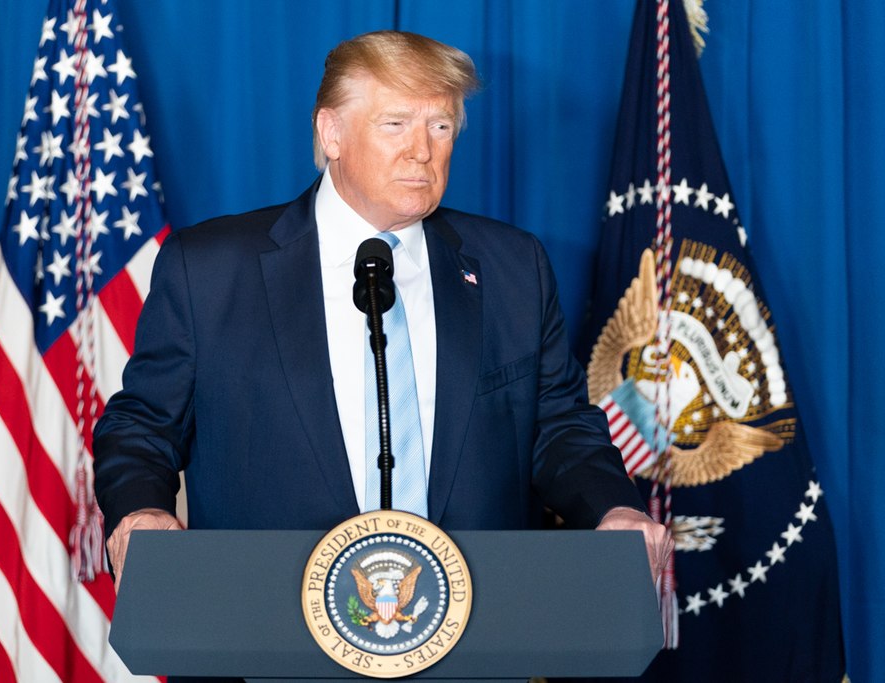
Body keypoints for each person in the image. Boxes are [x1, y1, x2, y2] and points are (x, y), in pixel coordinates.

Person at [94, 30, 671, 597]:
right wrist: (142, 509)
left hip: (475, 629)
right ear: (332, 133)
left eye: (440, 126)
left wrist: (612, 507)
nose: (421, 149)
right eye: (395, 124)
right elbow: (142, 425)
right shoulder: (212, 270)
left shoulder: (513, 267)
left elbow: (560, 428)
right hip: (261, 624)